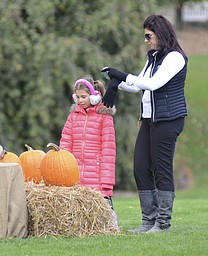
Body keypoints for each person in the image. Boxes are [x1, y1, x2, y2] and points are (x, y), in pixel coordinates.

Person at [101, 14, 187, 233]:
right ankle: (148, 221)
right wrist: (115, 83)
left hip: (168, 120)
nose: (146, 41)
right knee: (140, 167)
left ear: (160, 33)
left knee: (161, 170)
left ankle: (163, 223)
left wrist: (122, 75)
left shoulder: (175, 58)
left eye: (149, 36)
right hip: (149, 120)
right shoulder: (154, 58)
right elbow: (137, 86)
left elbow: (153, 84)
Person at [59, 75, 117, 208]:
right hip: (76, 171)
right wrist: (64, 166)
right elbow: (66, 143)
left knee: (102, 209)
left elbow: (108, 151)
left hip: (96, 172)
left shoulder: (104, 118)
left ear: (94, 96)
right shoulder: (73, 117)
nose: (80, 100)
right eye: (77, 97)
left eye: (83, 97)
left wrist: (106, 181)